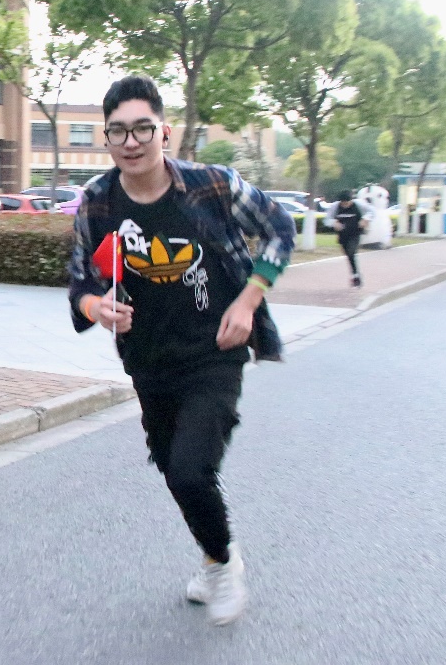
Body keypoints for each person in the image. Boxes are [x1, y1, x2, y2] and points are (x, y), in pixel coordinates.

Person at [68, 75, 295, 626]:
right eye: (118, 131)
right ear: (106, 138)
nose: (131, 142)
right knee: (174, 468)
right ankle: (215, 558)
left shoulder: (212, 185)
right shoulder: (98, 201)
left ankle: (224, 564)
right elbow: (80, 283)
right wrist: (98, 308)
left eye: (143, 128)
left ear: (164, 132)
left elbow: (280, 227)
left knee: (192, 469)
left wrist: (248, 301)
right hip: (148, 359)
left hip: (215, 352)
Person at [325, 190, 371, 287]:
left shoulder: (358, 205)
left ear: (351, 200)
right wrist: (334, 223)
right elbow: (327, 219)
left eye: (347, 203)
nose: (345, 205)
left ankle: (356, 276)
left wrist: (365, 219)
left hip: (355, 233)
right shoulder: (335, 207)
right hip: (342, 235)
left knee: (351, 252)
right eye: (343, 203)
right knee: (349, 255)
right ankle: (355, 275)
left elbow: (371, 212)